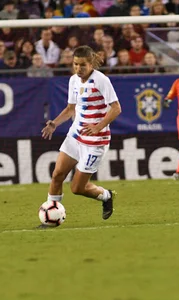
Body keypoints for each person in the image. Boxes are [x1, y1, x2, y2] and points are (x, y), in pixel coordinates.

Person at [40, 45, 121, 227]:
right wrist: (55, 123)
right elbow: (70, 109)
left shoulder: (101, 80)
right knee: (57, 174)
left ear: (91, 63)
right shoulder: (73, 81)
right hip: (75, 135)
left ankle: (106, 196)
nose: (78, 68)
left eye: (82, 65)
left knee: (77, 188)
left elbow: (116, 108)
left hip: (95, 142)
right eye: (75, 64)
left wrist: (98, 126)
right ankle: (50, 221)